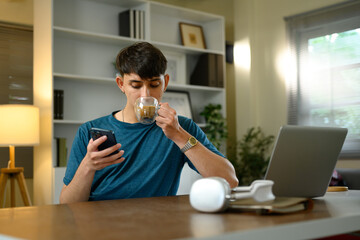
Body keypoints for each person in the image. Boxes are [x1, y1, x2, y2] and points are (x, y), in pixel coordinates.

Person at [59, 42, 238, 203]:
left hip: (155, 225)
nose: (146, 95)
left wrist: (180, 136)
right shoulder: (89, 131)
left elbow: (229, 181)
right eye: (136, 86)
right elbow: (67, 204)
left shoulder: (181, 128)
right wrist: (88, 166)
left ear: (165, 82)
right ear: (121, 84)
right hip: (100, 226)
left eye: (154, 85)